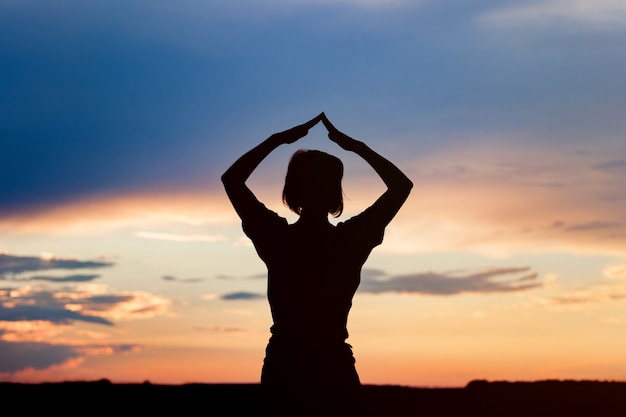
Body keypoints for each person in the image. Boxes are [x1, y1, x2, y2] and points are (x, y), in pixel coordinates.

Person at [221, 113, 413, 415]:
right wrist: (356, 147)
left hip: (284, 370)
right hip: (333, 370)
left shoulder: (277, 238)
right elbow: (401, 186)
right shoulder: (350, 240)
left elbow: (231, 179)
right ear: (335, 192)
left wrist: (277, 140)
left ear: (292, 190)